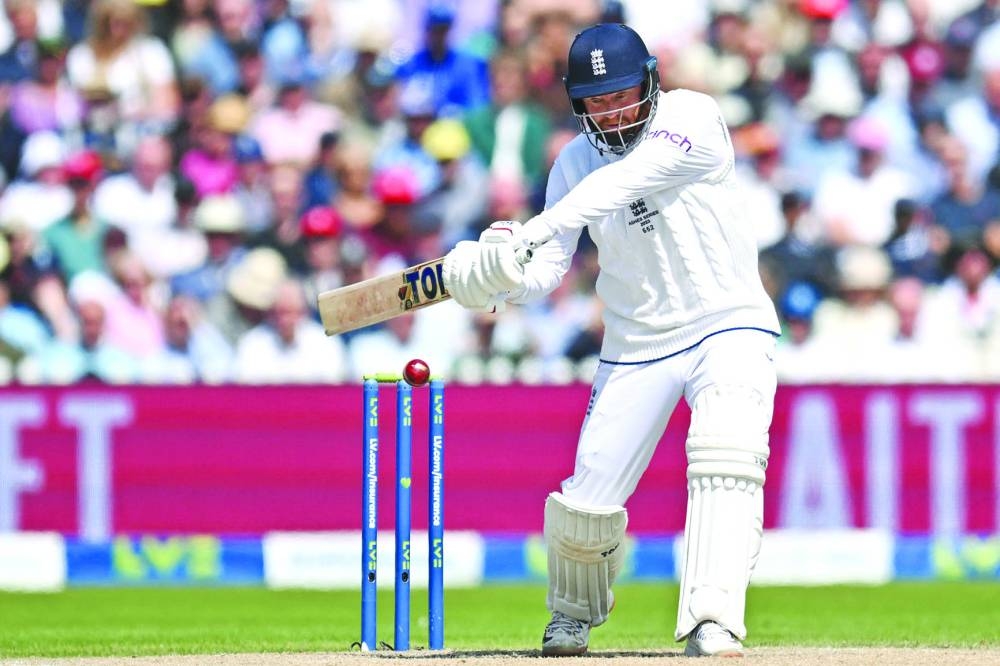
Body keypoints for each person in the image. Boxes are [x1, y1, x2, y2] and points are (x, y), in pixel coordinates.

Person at [441, 23, 780, 657]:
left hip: (728, 322)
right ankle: (571, 617)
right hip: (636, 344)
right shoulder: (573, 161)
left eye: (623, 94)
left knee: (725, 455)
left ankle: (713, 621)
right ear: (577, 104)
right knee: (585, 505)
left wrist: (531, 231)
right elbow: (545, 272)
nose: (612, 110)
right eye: (596, 101)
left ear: (650, 81)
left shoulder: (692, 117)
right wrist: (496, 272)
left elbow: (622, 183)